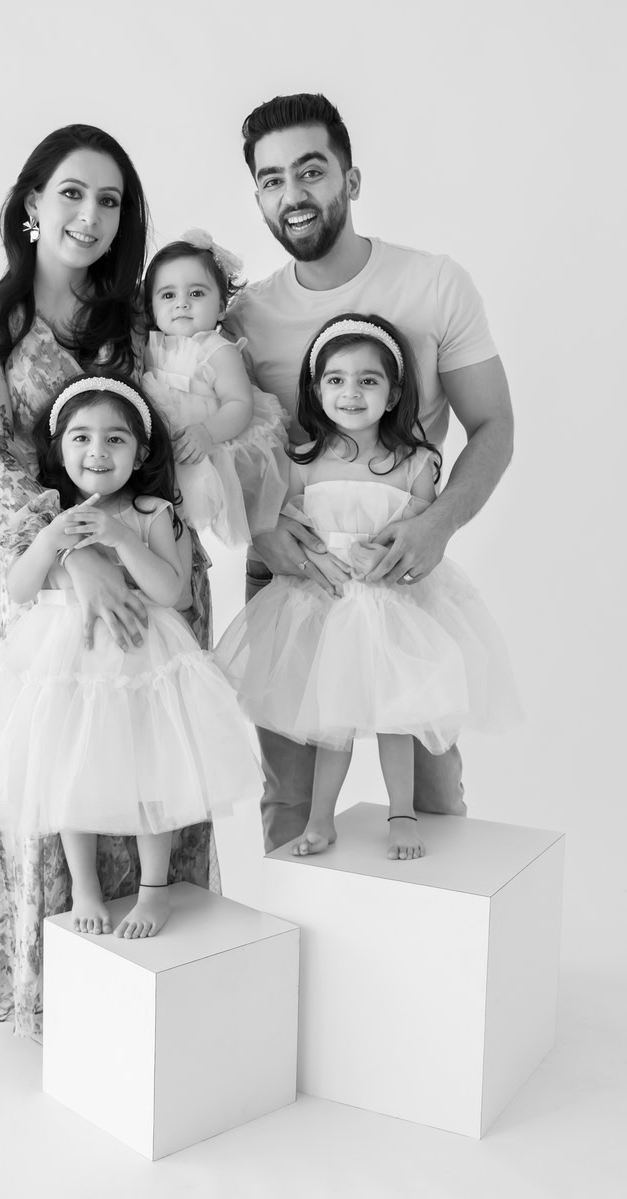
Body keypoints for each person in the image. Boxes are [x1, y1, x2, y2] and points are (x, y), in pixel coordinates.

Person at [0, 124, 217, 1036]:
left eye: (110, 201)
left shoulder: (143, 317)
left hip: (154, 585)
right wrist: (80, 557)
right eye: (71, 192)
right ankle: (54, 996)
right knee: (54, 775)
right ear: (30, 203)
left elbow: (196, 424)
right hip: (50, 589)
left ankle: (158, 1011)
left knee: (148, 773)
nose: (90, 215)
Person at [222, 93, 514, 852]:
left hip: (401, 580)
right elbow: (222, 443)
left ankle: (435, 951)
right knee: (290, 802)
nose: (293, 194)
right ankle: (295, 959)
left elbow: (494, 426)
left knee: (428, 800)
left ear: (350, 180)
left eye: (311, 170)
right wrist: (261, 527)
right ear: (257, 193)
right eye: (271, 178)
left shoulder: (434, 285)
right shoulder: (247, 317)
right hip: (292, 580)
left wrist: (437, 522)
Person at [0, 375, 261, 937]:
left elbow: (173, 593)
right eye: (81, 438)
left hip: (140, 664)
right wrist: (48, 538)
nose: (97, 452)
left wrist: (121, 537)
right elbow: (19, 589)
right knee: (69, 773)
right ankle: (85, 886)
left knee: (151, 776)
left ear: (140, 451)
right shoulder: (54, 512)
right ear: (59, 448)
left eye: (116, 439)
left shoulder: (155, 510)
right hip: (66, 664)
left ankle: (153, 889)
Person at [217, 316, 518, 860]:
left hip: (393, 606)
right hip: (326, 605)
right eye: (334, 380)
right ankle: (320, 818)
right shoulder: (302, 461)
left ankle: (400, 813)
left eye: (367, 381)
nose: (350, 393)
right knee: (333, 716)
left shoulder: (414, 463)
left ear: (393, 392)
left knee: (396, 716)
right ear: (315, 389)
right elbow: (289, 526)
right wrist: (311, 553)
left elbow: (420, 530)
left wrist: (385, 550)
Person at [141, 230, 288, 547]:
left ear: (221, 308)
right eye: (167, 296)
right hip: (160, 452)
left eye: (196, 294)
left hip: (204, 445)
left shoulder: (218, 349)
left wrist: (207, 432)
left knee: (184, 522)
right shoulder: (148, 346)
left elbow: (238, 403)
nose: (181, 303)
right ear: (151, 308)